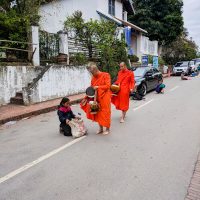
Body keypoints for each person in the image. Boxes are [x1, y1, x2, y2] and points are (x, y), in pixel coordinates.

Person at [81, 62, 111, 135]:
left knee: (106, 113)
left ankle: (107, 128)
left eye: (91, 72)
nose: (91, 74)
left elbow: (108, 86)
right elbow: (91, 89)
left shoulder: (105, 75)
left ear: (95, 70)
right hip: (96, 97)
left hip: (105, 98)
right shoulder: (93, 78)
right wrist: (86, 97)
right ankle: (100, 128)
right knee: (98, 113)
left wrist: (98, 87)